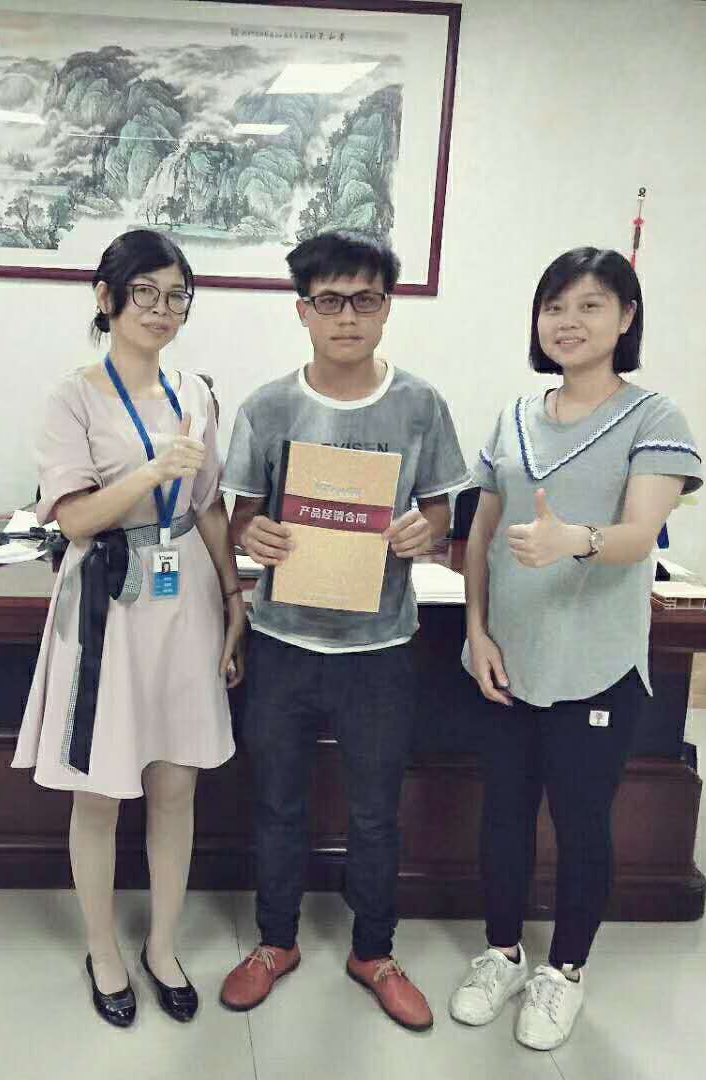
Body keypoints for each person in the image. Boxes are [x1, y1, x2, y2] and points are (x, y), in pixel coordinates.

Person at [449, 247, 703, 1050]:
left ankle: (564, 971)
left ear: (626, 318)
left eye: (591, 305)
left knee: (582, 820)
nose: (568, 321)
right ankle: (501, 952)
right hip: (507, 657)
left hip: (594, 663)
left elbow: (640, 536)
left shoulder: (655, 417)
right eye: (554, 305)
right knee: (503, 815)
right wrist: (476, 631)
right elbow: (482, 534)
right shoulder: (514, 416)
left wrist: (575, 540)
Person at [219, 231, 469, 1031]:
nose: (348, 316)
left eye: (365, 299)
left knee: (375, 812)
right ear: (302, 310)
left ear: (388, 308)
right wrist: (253, 535)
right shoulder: (268, 407)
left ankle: (374, 951)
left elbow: (441, 510)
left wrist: (425, 532)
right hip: (284, 641)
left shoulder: (420, 405)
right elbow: (241, 517)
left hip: (380, 646)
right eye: (330, 300)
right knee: (277, 802)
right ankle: (275, 942)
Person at [12, 229, 245, 1027]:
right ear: (106, 298)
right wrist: (150, 471)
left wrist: (234, 597)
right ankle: (103, 949)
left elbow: (208, 505)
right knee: (102, 788)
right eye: (144, 292)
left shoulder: (197, 393)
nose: (161, 309)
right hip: (107, 601)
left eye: (177, 295)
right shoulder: (72, 398)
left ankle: (164, 946)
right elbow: (75, 519)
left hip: (185, 598)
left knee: (176, 783)